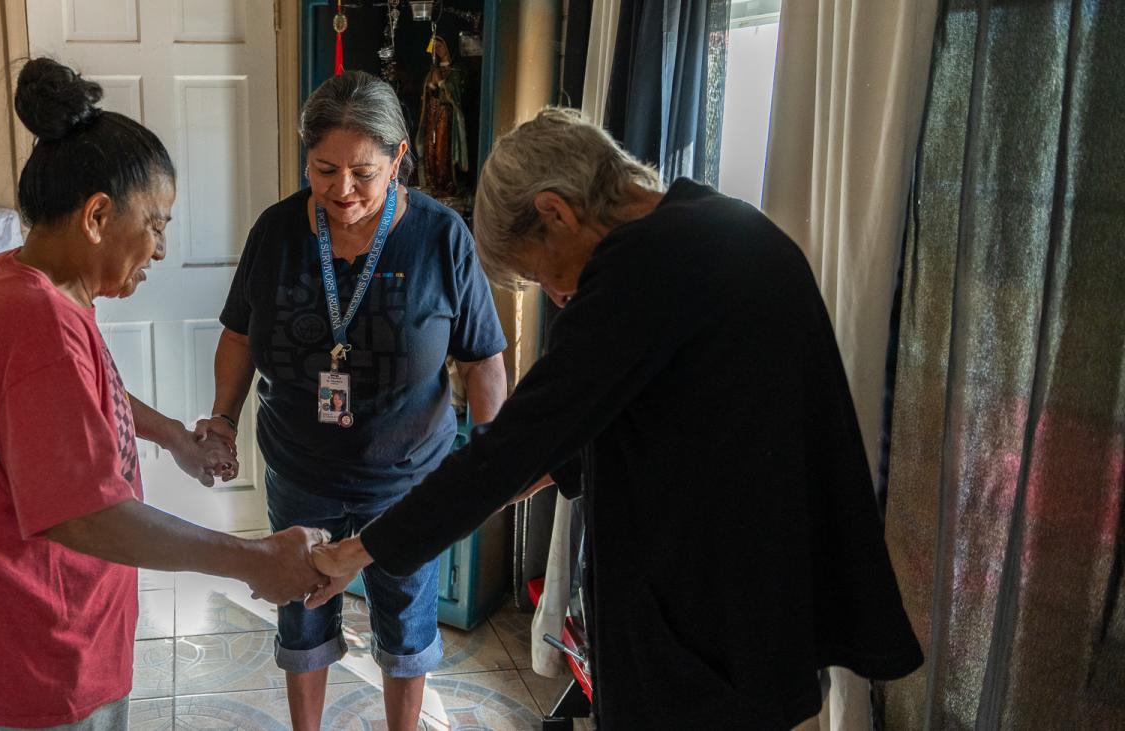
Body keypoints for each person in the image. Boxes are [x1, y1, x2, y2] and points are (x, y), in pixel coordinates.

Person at [306, 108, 925, 729]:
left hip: (703, 620)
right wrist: (503, 483)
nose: (553, 294)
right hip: (771, 603)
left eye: (537, 271)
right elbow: (612, 429)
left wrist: (356, 552)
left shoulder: (641, 271)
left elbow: (515, 447)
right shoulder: (730, 226)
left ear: (555, 213)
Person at [0, 59, 327, 731]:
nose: (160, 248)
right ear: (97, 214)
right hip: (26, 660)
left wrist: (174, 439)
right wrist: (252, 560)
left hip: (26, 635)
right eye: (155, 224)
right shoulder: (30, 321)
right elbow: (86, 514)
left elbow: (84, 399)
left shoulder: (19, 284)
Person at [193, 71, 508, 731]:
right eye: (323, 169)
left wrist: (489, 461)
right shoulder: (278, 231)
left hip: (408, 478)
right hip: (301, 470)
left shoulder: (441, 236)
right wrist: (222, 415)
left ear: (399, 158)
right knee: (302, 610)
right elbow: (239, 332)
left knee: (406, 619)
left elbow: (483, 360)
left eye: (364, 172)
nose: (342, 190)